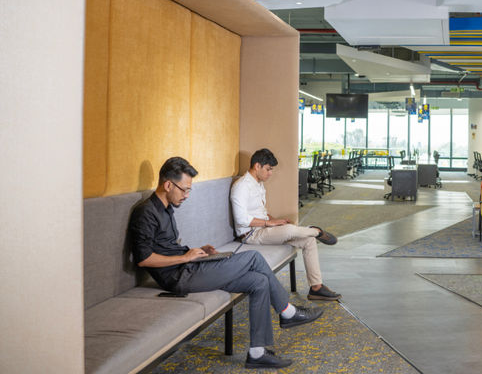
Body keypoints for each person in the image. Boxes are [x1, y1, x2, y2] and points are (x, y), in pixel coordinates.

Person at [129, 157, 323, 370]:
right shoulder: (146, 213)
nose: (186, 195)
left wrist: (199, 251)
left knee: (258, 282)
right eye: (184, 190)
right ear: (168, 185)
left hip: (189, 267)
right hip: (178, 277)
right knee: (253, 257)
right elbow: (144, 259)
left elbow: (166, 247)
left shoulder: (166, 209)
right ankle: (287, 312)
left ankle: (257, 353)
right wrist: (185, 258)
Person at [231, 148, 342, 301]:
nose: (270, 173)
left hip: (264, 230)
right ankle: (316, 231)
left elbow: (261, 212)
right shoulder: (241, 186)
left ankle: (316, 288)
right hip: (251, 235)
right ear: (257, 166)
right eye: (268, 169)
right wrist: (269, 223)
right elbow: (241, 219)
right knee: (290, 230)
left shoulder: (258, 184)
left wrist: (276, 221)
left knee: (308, 240)